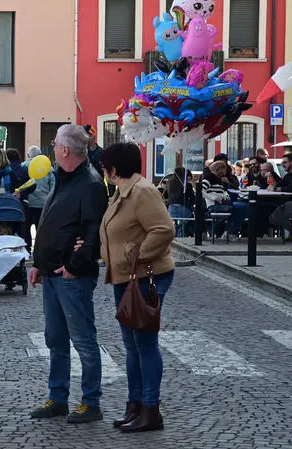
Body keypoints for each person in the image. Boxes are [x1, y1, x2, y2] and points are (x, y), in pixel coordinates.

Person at [28, 124, 108, 423]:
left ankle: (91, 401)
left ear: (64, 150)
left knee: (83, 340)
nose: (52, 148)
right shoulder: (63, 178)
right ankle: (57, 397)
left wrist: (74, 265)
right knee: (55, 339)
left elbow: (92, 230)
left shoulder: (89, 183)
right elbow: (51, 223)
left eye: (55, 143)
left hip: (71, 276)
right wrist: (39, 263)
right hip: (52, 273)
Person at [97, 142, 175, 433]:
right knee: (132, 347)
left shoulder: (142, 192)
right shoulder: (121, 193)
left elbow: (164, 229)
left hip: (145, 276)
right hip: (125, 278)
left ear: (114, 169)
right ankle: (136, 405)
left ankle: (151, 409)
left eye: (105, 167)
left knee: (144, 345)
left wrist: (136, 255)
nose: (103, 172)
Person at [23, 145, 56, 241]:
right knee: (41, 229)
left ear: (28, 155)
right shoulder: (48, 168)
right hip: (43, 203)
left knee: (26, 228)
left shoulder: (23, 166)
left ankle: (27, 248)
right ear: (40, 154)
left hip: (27, 203)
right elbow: (54, 185)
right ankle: (39, 249)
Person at [84, 124, 114, 197]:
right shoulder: (81, 154)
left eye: (84, 136)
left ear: (92, 136)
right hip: (83, 193)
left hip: (98, 193)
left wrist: (111, 196)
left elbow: (109, 174)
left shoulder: (103, 153)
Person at [166, 167, 195, 237]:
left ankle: (177, 231)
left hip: (171, 209)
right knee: (191, 217)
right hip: (183, 209)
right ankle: (188, 233)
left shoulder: (170, 183)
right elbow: (193, 200)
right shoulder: (187, 185)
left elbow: (166, 196)